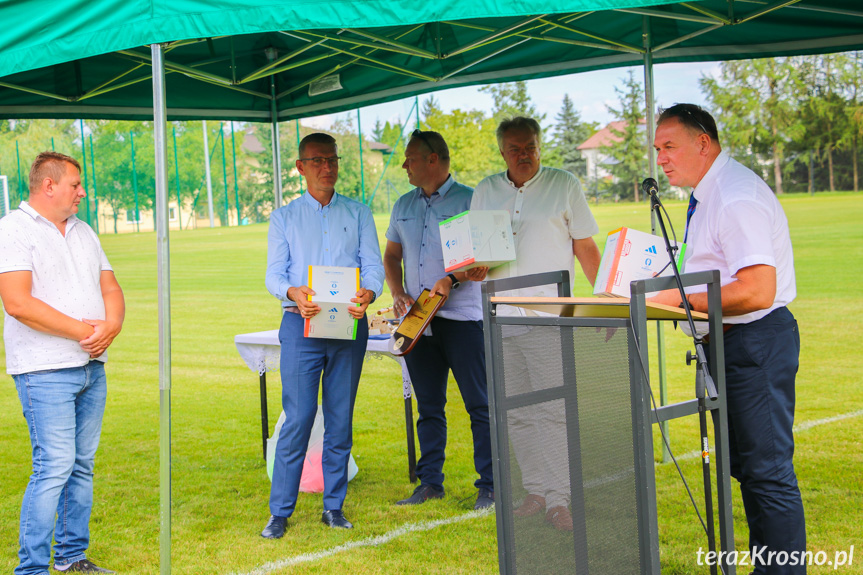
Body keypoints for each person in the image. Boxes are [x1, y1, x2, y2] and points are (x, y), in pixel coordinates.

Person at [651, 104, 804, 574]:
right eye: (657, 150)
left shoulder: (734, 195)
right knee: (749, 469)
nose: (661, 159)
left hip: (755, 342)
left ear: (703, 142)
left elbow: (758, 289)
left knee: (767, 472)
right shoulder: (709, 192)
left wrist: (680, 301)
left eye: (669, 147)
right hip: (731, 343)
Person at [471, 116, 601, 531]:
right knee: (517, 414)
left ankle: (559, 500)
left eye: (530, 147)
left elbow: (585, 247)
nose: (523, 155)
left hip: (549, 319)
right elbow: (476, 255)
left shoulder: (565, 184)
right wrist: (474, 268)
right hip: (500, 318)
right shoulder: (485, 190)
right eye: (514, 149)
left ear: (539, 146)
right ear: (502, 152)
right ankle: (536, 491)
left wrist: (607, 301)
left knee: (552, 411)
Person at [0, 152, 125, 575]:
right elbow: (18, 303)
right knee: (53, 467)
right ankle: (32, 569)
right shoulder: (13, 229)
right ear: (48, 186)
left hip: (92, 366)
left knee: (81, 465)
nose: (82, 192)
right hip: (44, 369)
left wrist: (112, 325)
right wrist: (86, 332)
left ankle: (71, 557)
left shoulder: (84, 230)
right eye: (75, 184)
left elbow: (110, 285)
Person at [262, 133, 384, 538]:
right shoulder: (284, 217)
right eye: (316, 161)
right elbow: (274, 276)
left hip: (350, 323)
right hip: (302, 324)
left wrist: (370, 291)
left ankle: (334, 506)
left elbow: (373, 268)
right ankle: (280, 511)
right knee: (298, 417)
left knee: (340, 417)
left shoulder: (359, 212)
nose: (326, 167)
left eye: (331, 159)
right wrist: (292, 292)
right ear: (300, 168)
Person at [383, 130, 493, 510]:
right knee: (428, 406)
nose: (404, 165)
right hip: (417, 322)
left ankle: (491, 486)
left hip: (463, 318)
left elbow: (483, 260)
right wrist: (397, 292)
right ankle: (430, 483)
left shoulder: (472, 200)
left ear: (433, 159)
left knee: (479, 404)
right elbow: (391, 255)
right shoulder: (402, 204)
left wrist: (453, 278)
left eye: (410, 158)